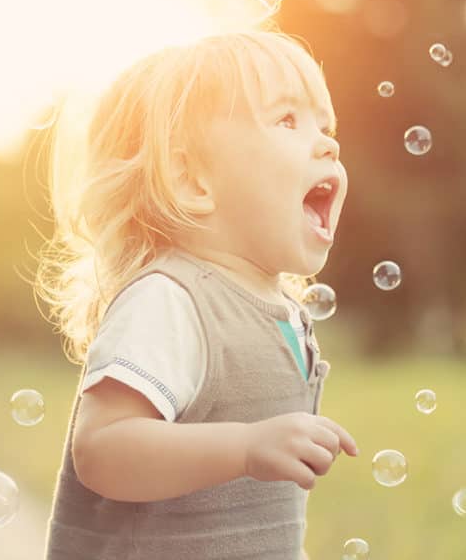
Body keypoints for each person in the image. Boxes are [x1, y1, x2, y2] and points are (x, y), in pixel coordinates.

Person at [35, 28, 358, 560]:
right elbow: (103, 448)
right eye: (287, 120)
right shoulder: (170, 300)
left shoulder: (278, 310)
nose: (328, 143)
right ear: (192, 181)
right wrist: (246, 447)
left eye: (325, 125)